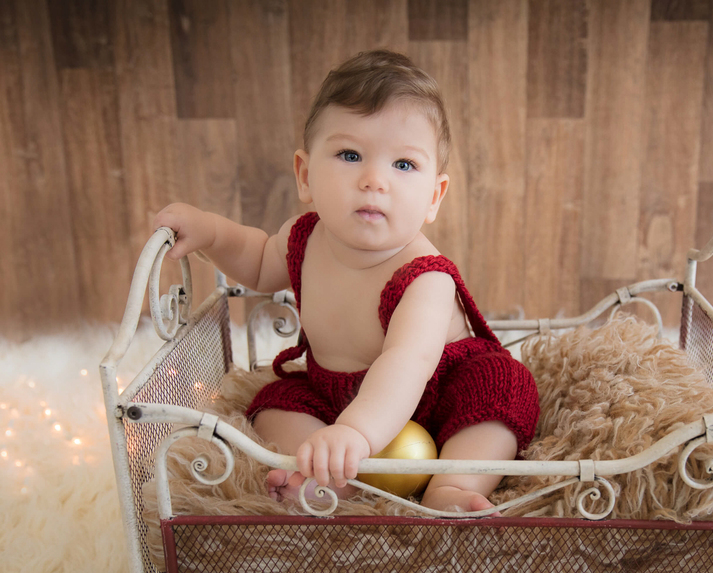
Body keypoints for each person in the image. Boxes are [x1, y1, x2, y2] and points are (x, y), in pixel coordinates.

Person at [153, 49, 539, 513]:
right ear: (305, 175)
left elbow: (406, 363)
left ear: (434, 196)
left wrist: (357, 431)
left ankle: (452, 484)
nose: (374, 179)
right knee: (273, 403)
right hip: (335, 395)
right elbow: (255, 261)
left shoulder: (424, 276)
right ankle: (334, 479)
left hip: (439, 392)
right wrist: (211, 231)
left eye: (403, 165)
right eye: (350, 154)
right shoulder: (304, 237)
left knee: (502, 387)